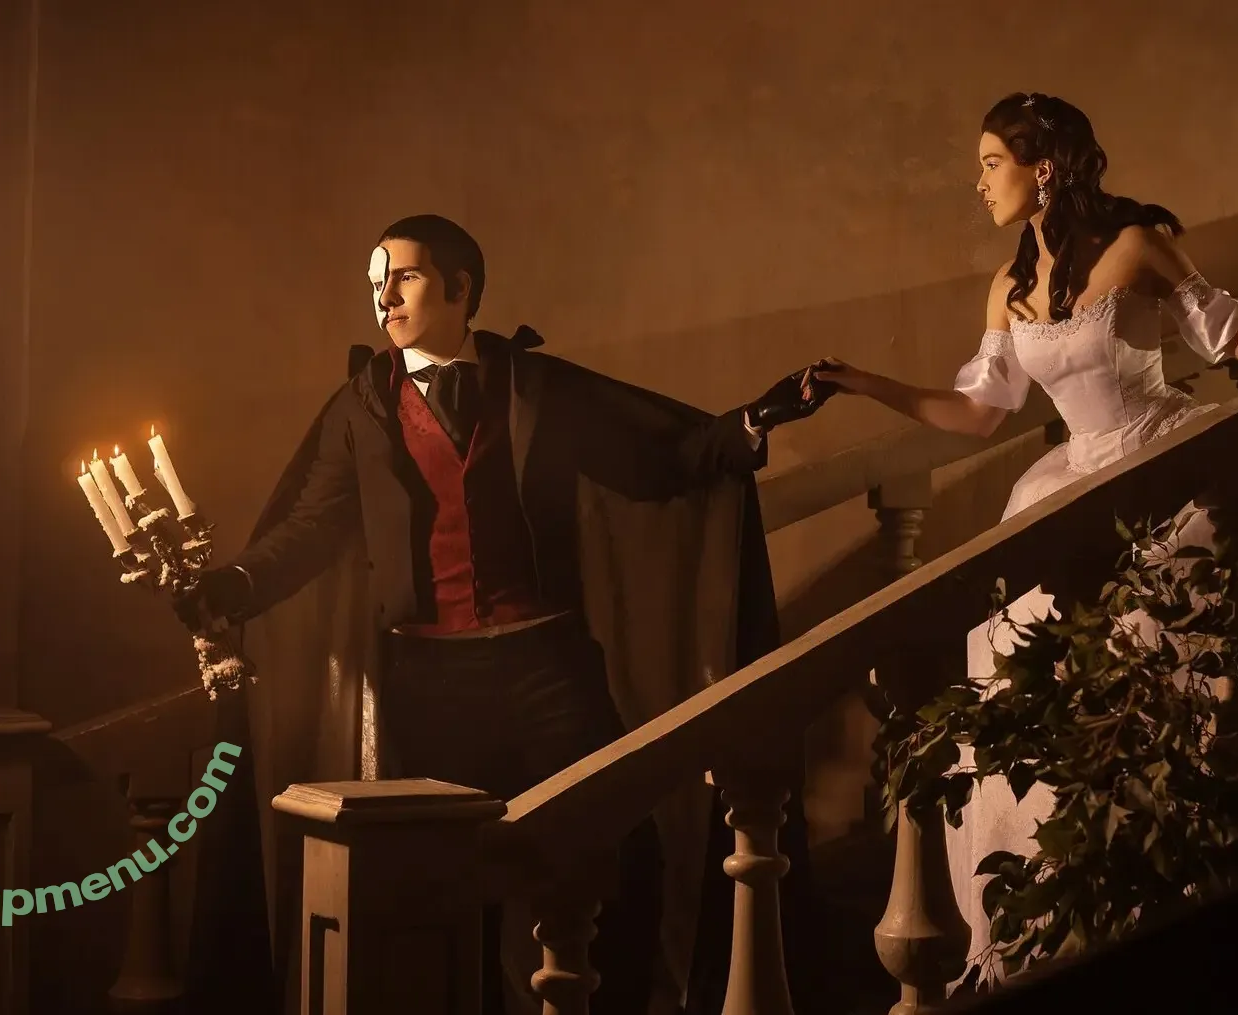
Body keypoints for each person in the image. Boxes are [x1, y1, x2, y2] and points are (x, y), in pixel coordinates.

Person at [811, 92, 1238, 985]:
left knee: (1206, 639)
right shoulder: (1009, 287)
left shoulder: (1134, 245)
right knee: (1038, 663)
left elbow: (1228, 333)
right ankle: (1076, 906)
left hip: (1164, 455)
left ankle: (1228, 866)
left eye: (991, 163)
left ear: (1043, 168)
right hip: (1073, 480)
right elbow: (978, 412)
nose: (980, 183)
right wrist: (863, 382)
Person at [175, 214, 833, 1015]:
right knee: (447, 876)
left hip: (546, 665)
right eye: (376, 281)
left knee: (619, 845)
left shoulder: (535, 386)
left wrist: (753, 421)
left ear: (461, 289)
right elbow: (312, 526)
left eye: (405, 276)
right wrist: (237, 583)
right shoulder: (360, 406)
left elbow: (652, 456)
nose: (385, 297)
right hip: (428, 678)